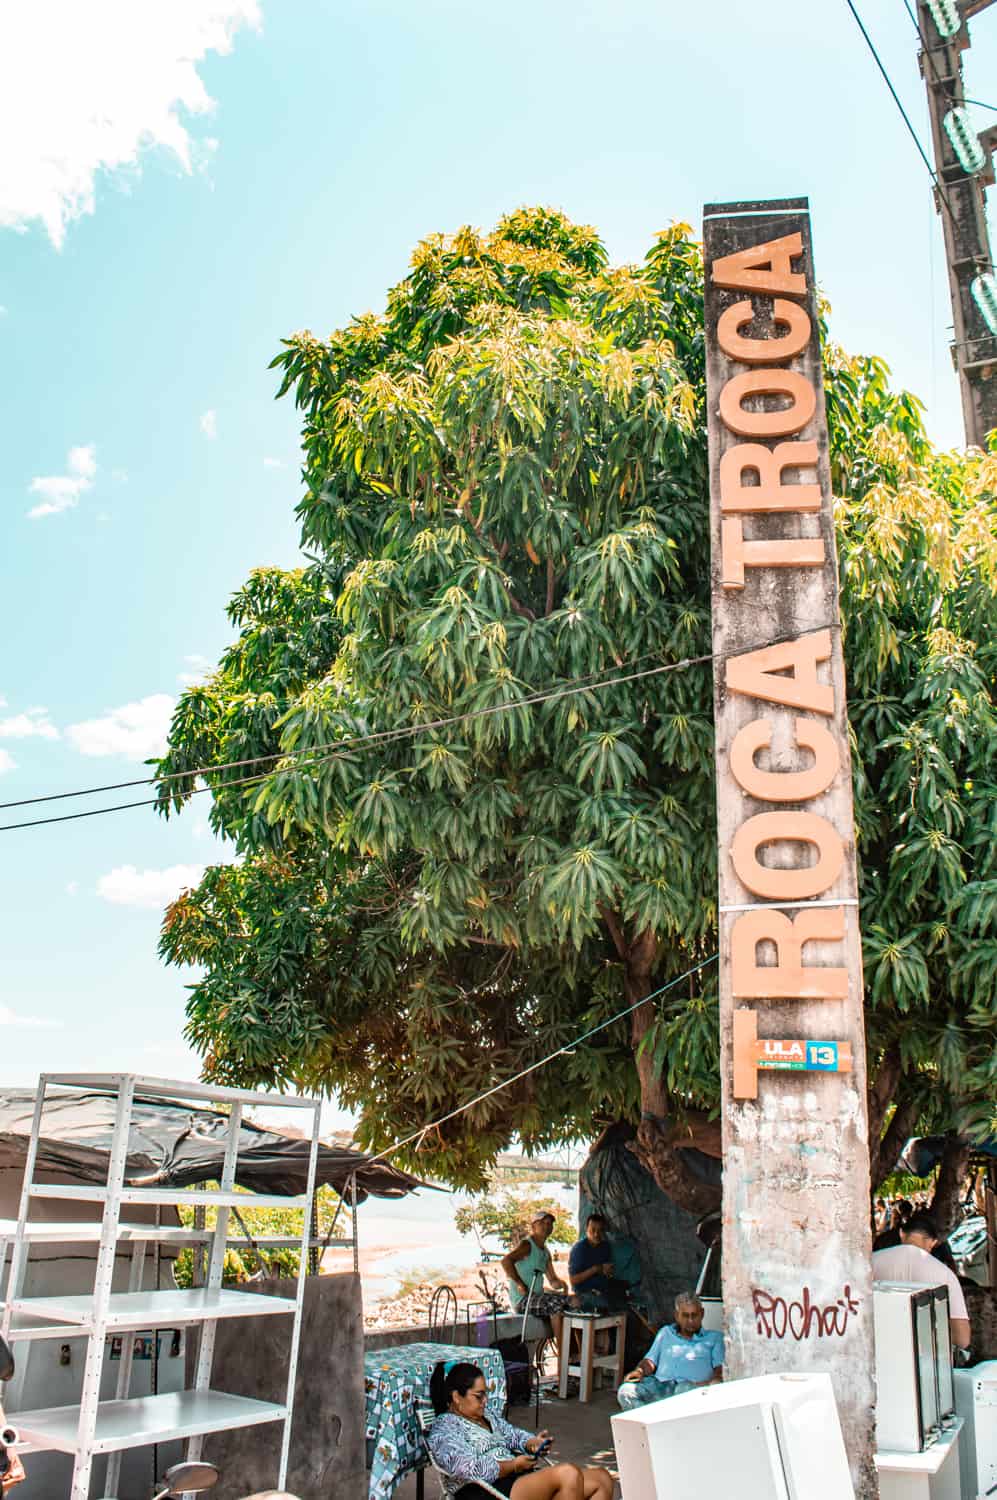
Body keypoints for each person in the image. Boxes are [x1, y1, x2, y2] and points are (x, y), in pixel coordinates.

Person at [428, 1360, 614, 1500]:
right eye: (479, 1396)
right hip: (484, 1489)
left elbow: (512, 1434)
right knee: (567, 1474)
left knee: (601, 1479)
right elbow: (467, 1469)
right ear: (456, 1397)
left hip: (516, 1480)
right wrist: (513, 1465)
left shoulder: (487, 1416)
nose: (485, 1401)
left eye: (485, 1394)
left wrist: (531, 1442)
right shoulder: (444, 1428)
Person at [872, 1210, 971, 1349]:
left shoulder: (871, 1262)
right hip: (925, 1356)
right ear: (933, 1242)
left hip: (878, 1350)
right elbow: (962, 1338)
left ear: (901, 1233)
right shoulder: (945, 1274)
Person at [617, 1291, 723, 1410]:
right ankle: (652, 1423)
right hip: (660, 1386)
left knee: (682, 1390)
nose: (690, 1321)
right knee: (625, 1391)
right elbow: (650, 1361)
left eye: (694, 1315)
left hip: (689, 1389)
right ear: (677, 1315)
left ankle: (658, 1422)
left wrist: (710, 1384)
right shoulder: (665, 1332)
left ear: (702, 1314)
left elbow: (719, 1370)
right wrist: (639, 1371)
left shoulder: (714, 1338)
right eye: (685, 1315)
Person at [502, 1213, 570, 1352]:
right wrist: (519, 1283)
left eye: (549, 1223)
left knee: (573, 1302)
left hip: (537, 1297)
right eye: (542, 1223)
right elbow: (506, 1261)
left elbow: (553, 1281)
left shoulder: (545, 1252)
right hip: (523, 1300)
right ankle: (564, 1354)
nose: (547, 1226)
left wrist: (563, 1285)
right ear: (533, 1226)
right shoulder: (527, 1245)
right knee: (556, 1306)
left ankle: (574, 1351)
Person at [568, 1215, 616, 1303]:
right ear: (586, 1229)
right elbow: (573, 1280)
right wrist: (596, 1269)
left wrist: (608, 1272)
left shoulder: (605, 1246)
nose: (596, 1234)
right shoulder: (579, 1249)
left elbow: (607, 1271)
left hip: (603, 1291)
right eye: (593, 1230)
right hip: (583, 1293)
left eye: (600, 1230)